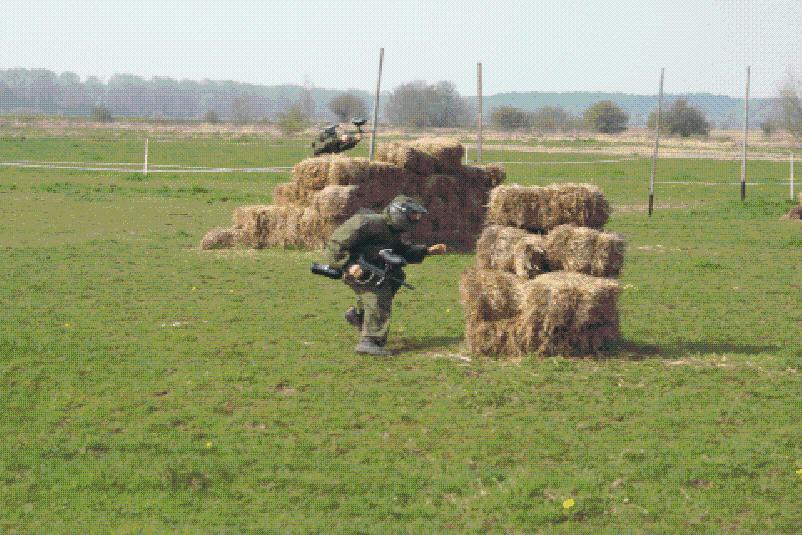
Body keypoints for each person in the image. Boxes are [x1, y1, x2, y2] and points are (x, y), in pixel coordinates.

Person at [321, 195, 448, 356]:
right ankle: (370, 341)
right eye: (413, 215)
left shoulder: (392, 230)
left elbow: (401, 251)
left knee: (394, 277)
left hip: (374, 269)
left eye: (418, 216)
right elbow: (335, 244)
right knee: (378, 294)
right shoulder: (367, 222)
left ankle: (360, 318)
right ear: (399, 213)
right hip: (356, 269)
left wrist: (426, 251)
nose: (416, 219)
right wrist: (349, 266)